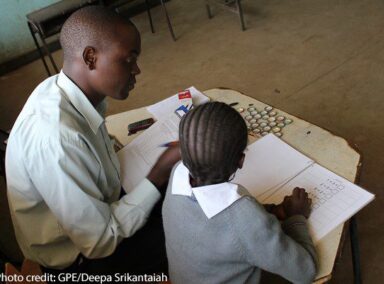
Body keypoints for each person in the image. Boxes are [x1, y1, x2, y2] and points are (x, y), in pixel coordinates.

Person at [6, 6, 180, 276]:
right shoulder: (56, 139)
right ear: (90, 57)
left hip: (99, 205)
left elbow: (96, 147)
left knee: (177, 200)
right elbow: (99, 242)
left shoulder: (66, 88)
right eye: (128, 59)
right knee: (191, 238)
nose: (137, 69)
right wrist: (158, 172)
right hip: (79, 259)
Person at [162, 102, 318, 284]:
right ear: (241, 161)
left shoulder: (176, 173)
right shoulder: (243, 217)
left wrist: (272, 211)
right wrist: (296, 217)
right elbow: (305, 272)